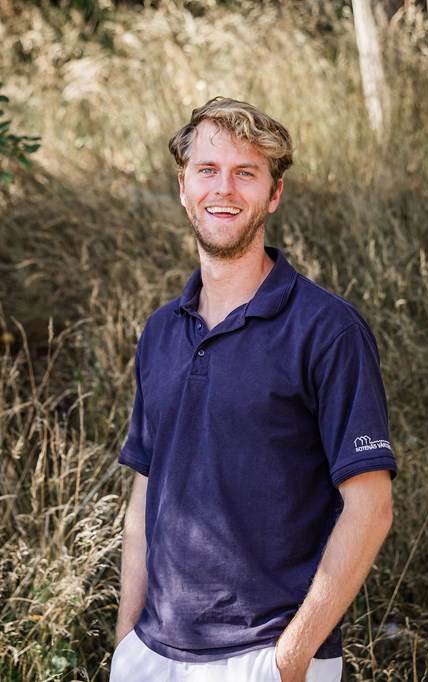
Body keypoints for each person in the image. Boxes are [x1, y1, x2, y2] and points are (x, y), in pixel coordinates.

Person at [110, 97, 397, 682]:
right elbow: (146, 490)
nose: (224, 188)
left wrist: (288, 662)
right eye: (208, 170)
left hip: (265, 656)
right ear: (184, 187)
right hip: (151, 654)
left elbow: (371, 508)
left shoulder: (327, 330)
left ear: (274, 194)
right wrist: (126, 642)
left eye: (246, 173)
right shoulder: (161, 331)